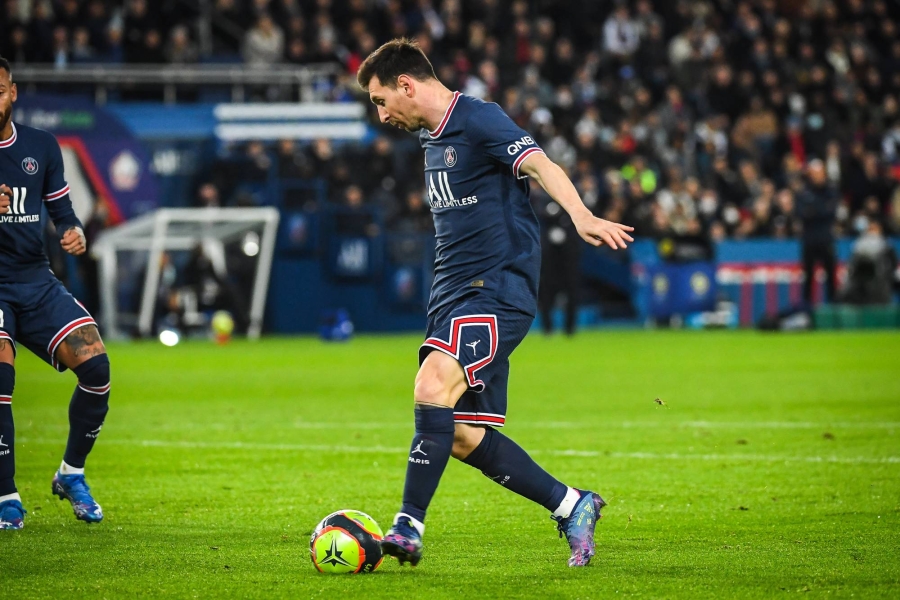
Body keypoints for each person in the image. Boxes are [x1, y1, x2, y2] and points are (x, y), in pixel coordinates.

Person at [357, 39, 634, 568]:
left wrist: (581, 215)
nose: (381, 114)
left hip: (497, 288)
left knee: (431, 387)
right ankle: (571, 504)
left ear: (405, 85)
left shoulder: (479, 119)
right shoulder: (432, 139)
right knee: (459, 434)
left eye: (380, 100)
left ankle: (407, 526)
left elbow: (541, 165)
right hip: (451, 296)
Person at [0, 57, 110, 530]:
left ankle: (71, 473)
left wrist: (74, 231)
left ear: (13, 92)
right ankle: (6, 495)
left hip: (35, 279)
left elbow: (62, 211)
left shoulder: (41, 146)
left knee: (97, 369)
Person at [795, 159, 839, 305]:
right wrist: (821, 209)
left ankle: (833, 307)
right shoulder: (803, 192)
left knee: (831, 277)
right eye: (814, 173)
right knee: (808, 277)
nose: (817, 176)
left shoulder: (831, 191)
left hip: (826, 239)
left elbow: (831, 211)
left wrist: (813, 210)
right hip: (809, 240)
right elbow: (801, 213)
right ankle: (806, 308)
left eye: (819, 173)